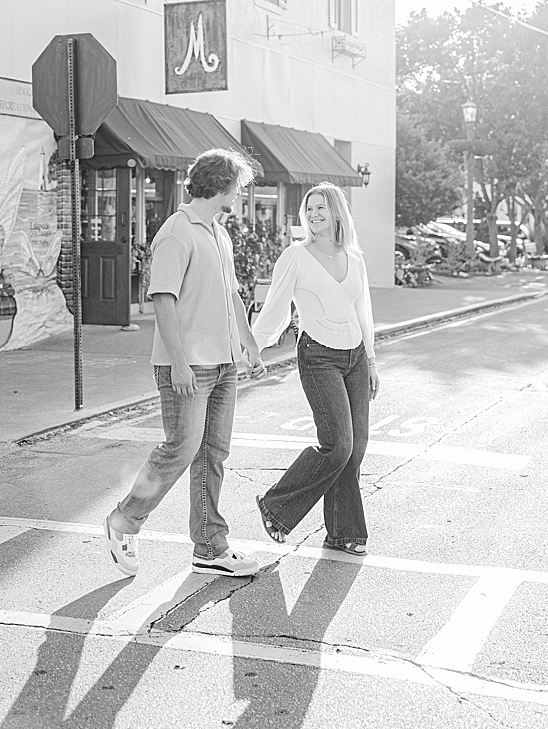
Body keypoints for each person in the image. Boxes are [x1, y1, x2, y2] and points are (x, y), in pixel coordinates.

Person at [104, 148, 266, 578]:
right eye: (238, 186)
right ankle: (125, 520)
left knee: (212, 454)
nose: (239, 194)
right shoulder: (177, 232)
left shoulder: (217, 232)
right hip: (189, 366)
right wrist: (177, 363)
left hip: (224, 362)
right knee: (180, 448)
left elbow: (231, 294)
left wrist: (248, 344)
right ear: (224, 185)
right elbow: (163, 298)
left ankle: (210, 547)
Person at [250, 183, 379, 556]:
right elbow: (274, 308)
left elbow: (363, 313)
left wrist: (370, 360)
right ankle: (277, 506)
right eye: (310, 210)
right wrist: (253, 349)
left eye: (321, 208)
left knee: (355, 450)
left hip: (355, 356)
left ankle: (342, 532)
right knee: (338, 446)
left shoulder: (354, 258)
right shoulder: (296, 255)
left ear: (337, 212)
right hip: (318, 355)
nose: (314, 215)